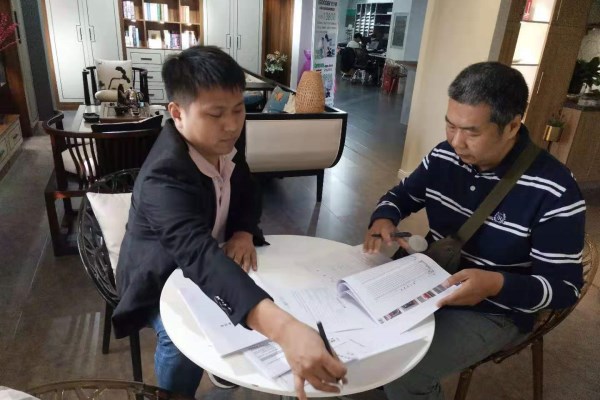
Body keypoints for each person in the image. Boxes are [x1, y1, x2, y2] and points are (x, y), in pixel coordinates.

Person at [112, 45, 346, 399]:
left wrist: (242, 230)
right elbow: (198, 256)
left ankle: (228, 358)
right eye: (216, 113)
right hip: (159, 274)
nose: (232, 124)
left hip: (214, 251)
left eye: (238, 109)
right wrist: (285, 331)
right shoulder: (164, 176)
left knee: (274, 290)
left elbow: (248, 189)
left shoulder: (225, 141)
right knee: (183, 338)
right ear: (177, 113)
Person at [363, 62, 585, 399]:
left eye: (471, 132)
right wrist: (383, 218)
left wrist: (495, 284)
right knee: (354, 322)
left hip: (495, 310)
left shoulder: (554, 189)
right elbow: (400, 196)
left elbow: (564, 289)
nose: (456, 141)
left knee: (406, 372)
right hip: (431, 279)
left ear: (512, 126)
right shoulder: (443, 156)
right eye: (450, 125)